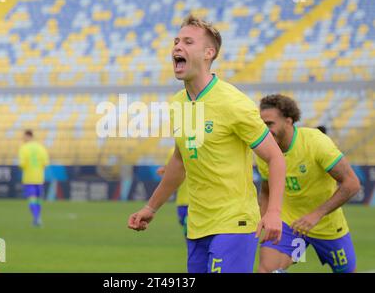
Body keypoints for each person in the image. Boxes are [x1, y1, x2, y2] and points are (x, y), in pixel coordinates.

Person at [128, 15, 286, 273]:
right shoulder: (177, 104)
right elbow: (179, 161)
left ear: (208, 53)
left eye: (188, 42)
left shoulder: (233, 103)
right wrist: (151, 207)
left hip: (235, 223)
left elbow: (275, 157)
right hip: (198, 225)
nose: (177, 46)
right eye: (176, 41)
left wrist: (274, 212)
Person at [256, 94, 360, 273]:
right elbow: (266, 190)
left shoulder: (316, 143)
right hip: (290, 224)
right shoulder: (264, 152)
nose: (264, 130)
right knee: (267, 270)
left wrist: (316, 214)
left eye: (269, 124)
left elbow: (351, 184)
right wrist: (264, 217)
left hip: (328, 226)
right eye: (261, 125)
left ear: (288, 121)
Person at [18, 130, 49, 226]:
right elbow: (45, 163)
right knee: (38, 199)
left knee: (32, 199)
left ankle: (36, 218)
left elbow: (22, 164)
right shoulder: (41, 147)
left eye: (24, 137)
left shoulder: (23, 148)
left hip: (29, 178)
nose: (23, 139)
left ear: (28, 136)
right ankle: (37, 217)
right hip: (39, 177)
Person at [156, 147, 188, 237]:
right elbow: (171, 168)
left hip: (200, 199)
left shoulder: (205, 145)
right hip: (183, 200)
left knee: (194, 232)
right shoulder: (174, 150)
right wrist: (165, 170)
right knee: (188, 231)